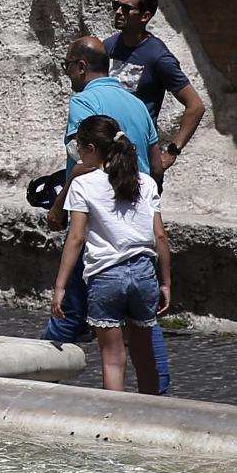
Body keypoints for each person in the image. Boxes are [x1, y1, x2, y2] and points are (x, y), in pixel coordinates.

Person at [44, 36, 171, 393]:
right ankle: (157, 399)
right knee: (143, 329)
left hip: (100, 233)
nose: (67, 73)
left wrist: (58, 207)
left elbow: (82, 167)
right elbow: (157, 165)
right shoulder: (137, 105)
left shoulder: (83, 102)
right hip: (140, 232)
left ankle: (45, 379)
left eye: (67, 65)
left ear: (81, 67)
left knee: (85, 317)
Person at [106, 0, 206, 176]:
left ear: (145, 16)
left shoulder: (158, 56)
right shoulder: (108, 47)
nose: (118, 12)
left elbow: (196, 106)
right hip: (105, 155)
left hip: (138, 160)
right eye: (116, 6)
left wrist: (172, 152)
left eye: (126, 9)